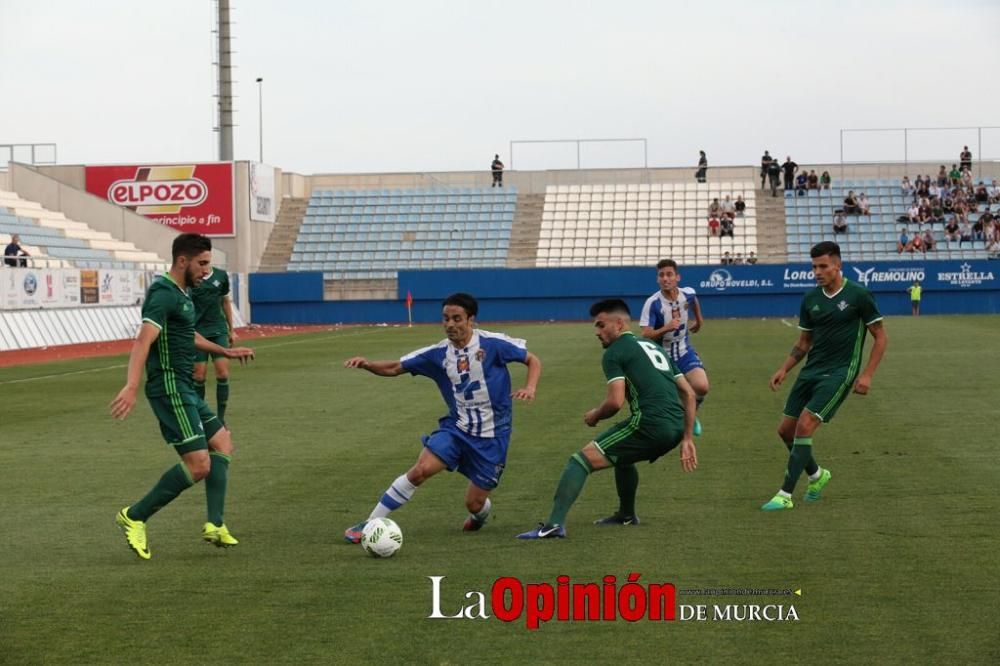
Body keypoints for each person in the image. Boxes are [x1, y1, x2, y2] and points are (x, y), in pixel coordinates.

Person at [343, 293, 542, 542]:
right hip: (457, 430)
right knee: (419, 471)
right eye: (446, 319)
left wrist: (530, 387)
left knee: (474, 503)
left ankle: (480, 516)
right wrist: (368, 365)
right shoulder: (437, 354)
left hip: (493, 438)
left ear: (471, 320)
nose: (450, 325)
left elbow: (532, 359)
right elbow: (395, 367)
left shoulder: (493, 344)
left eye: (457, 318)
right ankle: (369, 524)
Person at [110, 233, 256, 560]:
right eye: (202, 263)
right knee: (199, 464)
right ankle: (134, 516)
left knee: (222, 441)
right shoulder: (162, 294)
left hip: (185, 387)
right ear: (182, 261)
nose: (207, 271)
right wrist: (132, 385)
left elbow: (185, 334)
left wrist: (224, 351)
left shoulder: (183, 294)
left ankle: (215, 524)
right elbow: (142, 341)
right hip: (169, 388)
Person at [516, 299, 697, 538]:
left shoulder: (615, 352)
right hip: (674, 427)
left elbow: (614, 402)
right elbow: (689, 392)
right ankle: (626, 515)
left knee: (579, 461)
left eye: (601, 326)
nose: (597, 332)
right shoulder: (653, 346)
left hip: (650, 424)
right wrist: (686, 438)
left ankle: (553, 525)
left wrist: (595, 415)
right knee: (622, 457)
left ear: (619, 324)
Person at [761, 241, 887, 511]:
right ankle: (817, 475)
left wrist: (867, 375)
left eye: (823, 266)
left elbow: (880, 337)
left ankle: (784, 495)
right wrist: (784, 368)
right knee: (785, 431)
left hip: (840, 372)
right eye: (814, 267)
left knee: (805, 426)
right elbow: (805, 341)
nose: (817, 272)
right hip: (812, 370)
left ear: (837, 265)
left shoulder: (859, 295)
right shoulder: (811, 298)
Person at [638, 259, 709, 433]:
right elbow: (645, 334)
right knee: (664, 401)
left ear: (677, 277)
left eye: (669, 274)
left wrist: (699, 320)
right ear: (657, 279)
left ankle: (691, 414)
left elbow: (694, 300)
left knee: (702, 386)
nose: (665, 278)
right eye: (661, 275)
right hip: (663, 357)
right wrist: (665, 328)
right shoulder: (653, 303)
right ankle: (683, 417)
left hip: (684, 351)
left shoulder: (688, 294)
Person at [192, 266, 236, 424]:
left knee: (223, 374)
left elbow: (225, 302)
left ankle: (221, 419)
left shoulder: (220, 275)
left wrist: (231, 330)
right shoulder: (190, 277)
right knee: (198, 376)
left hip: (218, 330)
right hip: (197, 331)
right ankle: (200, 419)